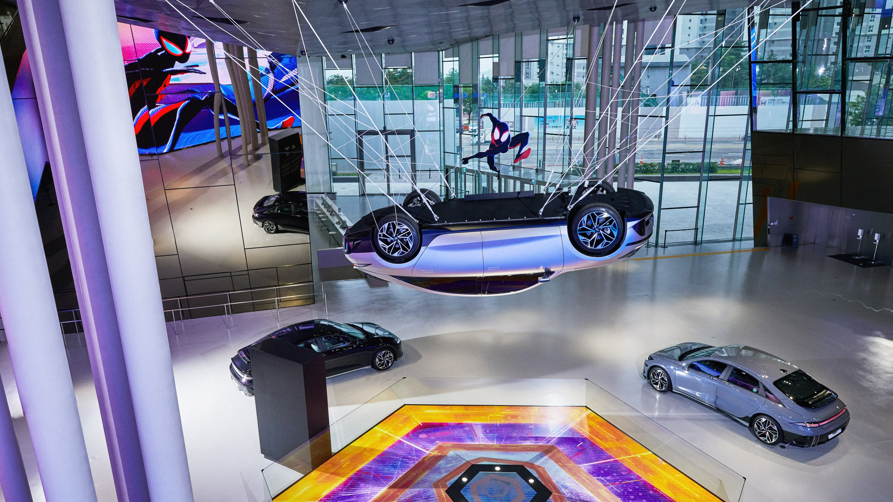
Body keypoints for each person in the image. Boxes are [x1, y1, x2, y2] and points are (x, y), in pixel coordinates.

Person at [460, 113, 531, 176]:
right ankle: (497, 170)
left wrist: (468, 158)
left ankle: (518, 155)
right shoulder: (496, 123)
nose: (498, 140)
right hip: (494, 146)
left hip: (504, 146)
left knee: (526, 135)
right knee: (491, 166)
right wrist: (485, 115)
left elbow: (483, 154)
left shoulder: (501, 147)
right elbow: (490, 115)